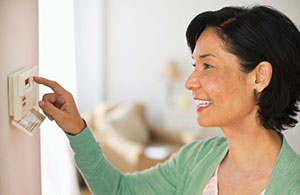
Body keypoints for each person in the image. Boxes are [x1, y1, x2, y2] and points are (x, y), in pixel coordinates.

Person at [35, 5, 300, 195]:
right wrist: (76, 130)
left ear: (260, 76)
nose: (189, 82)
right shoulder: (196, 158)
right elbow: (117, 190)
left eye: (207, 66)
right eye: (194, 65)